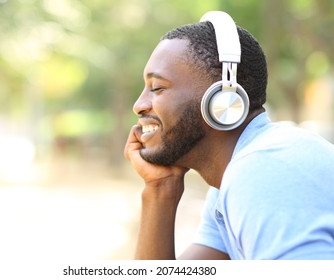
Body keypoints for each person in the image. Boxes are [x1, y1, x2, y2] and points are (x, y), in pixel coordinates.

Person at [124, 10, 334, 260]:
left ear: (222, 100)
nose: (139, 105)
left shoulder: (265, 169)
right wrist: (159, 189)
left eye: (157, 87)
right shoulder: (231, 181)